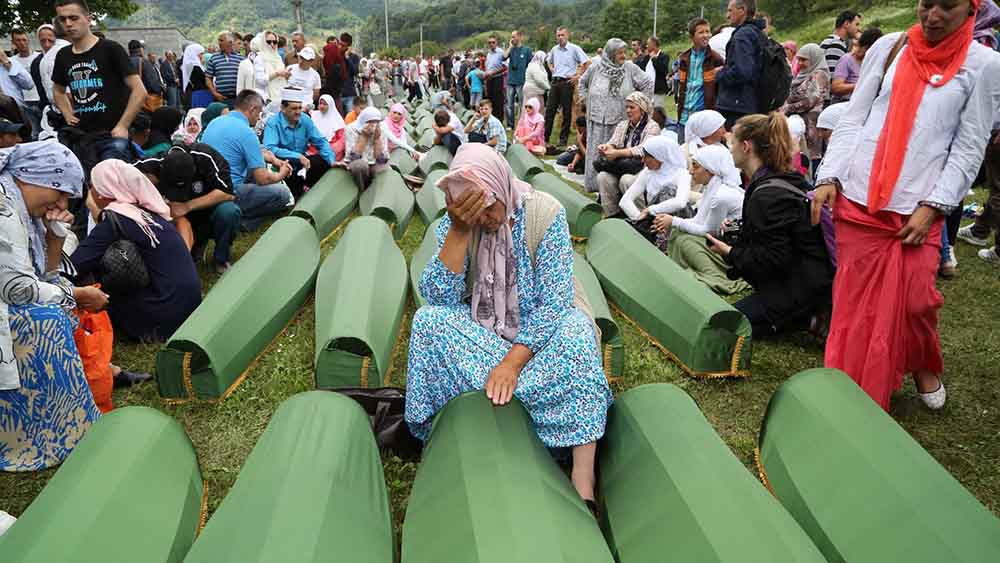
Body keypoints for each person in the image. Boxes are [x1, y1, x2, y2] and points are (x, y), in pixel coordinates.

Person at [812, 0, 1000, 410]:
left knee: (916, 301)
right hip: (860, 199)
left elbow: (970, 146)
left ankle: (920, 361)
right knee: (855, 307)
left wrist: (934, 206)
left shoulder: (984, 63)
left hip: (919, 204)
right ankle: (848, 389)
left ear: (971, 9)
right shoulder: (890, 46)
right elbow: (855, 115)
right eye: (925, 3)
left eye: (946, 6)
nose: (932, 15)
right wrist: (829, 176)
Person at [405, 143, 613, 513]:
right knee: (428, 324)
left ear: (501, 186)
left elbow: (554, 303)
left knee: (578, 336)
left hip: (540, 342)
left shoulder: (545, 214)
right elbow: (438, 297)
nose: (484, 219)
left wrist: (512, 364)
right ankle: (459, 432)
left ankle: (583, 476)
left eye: (488, 208)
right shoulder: (459, 222)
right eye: (473, 212)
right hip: (485, 336)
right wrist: (457, 231)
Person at [0, 141, 101, 471]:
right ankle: (45, 436)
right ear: (34, 177)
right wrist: (76, 296)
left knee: (55, 310)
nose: (60, 204)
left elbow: (44, 276)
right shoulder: (5, 209)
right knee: (47, 321)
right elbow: (18, 290)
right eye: (58, 193)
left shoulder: (20, 208)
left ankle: (59, 425)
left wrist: (54, 238)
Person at [708, 113, 832, 339]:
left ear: (746, 146)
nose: (730, 148)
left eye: (732, 143)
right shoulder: (784, 178)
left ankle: (810, 317)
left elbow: (775, 258)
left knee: (724, 328)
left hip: (802, 285)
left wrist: (732, 252)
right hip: (806, 278)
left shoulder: (767, 194)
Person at [71, 159, 201, 340]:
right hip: (189, 311)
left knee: (94, 271)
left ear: (102, 192)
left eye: (93, 186)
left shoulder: (115, 220)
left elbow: (74, 265)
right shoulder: (148, 212)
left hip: (160, 319)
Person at [52, 0, 146, 164]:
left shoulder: (111, 49)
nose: (68, 23)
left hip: (112, 136)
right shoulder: (63, 55)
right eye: (62, 19)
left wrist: (123, 125)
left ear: (89, 19)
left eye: (73, 18)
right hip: (81, 138)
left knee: (110, 184)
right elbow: (58, 90)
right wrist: (67, 113)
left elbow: (139, 90)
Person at [135, 143, 240, 273]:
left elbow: (228, 193)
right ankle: (185, 257)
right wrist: (145, 181)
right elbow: (120, 172)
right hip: (175, 217)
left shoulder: (207, 157)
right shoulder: (153, 164)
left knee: (229, 212)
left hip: (208, 211)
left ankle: (221, 259)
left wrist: (188, 206)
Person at [201, 89, 293, 231]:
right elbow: (262, 178)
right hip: (230, 191)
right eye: (259, 113)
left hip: (207, 187)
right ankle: (245, 221)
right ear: (252, 109)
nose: (259, 118)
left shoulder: (215, 122)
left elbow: (243, 149)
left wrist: (273, 159)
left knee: (250, 168)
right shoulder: (246, 132)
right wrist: (281, 173)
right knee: (283, 194)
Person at [663, 144, 748, 294]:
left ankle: (717, 275)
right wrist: (674, 222)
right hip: (721, 240)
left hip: (732, 249)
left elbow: (707, 230)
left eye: (695, 166)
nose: (690, 171)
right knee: (677, 234)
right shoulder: (712, 187)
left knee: (685, 240)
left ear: (710, 169)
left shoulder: (721, 194)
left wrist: (674, 221)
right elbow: (698, 220)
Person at [579, 39, 654, 194]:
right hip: (596, 119)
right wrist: (587, 100)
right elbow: (582, 83)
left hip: (619, 120)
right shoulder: (596, 68)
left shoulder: (629, 68)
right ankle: (595, 187)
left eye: (623, 52)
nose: (623, 56)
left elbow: (648, 83)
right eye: (619, 53)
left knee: (614, 155)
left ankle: (613, 190)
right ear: (610, 54)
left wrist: (641, 105)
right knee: (597, 153)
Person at [618, 136, 692, 246]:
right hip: (656, 221)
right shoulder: (648, 172)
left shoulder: (681, 174)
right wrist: (640, 220)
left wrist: (650, 210)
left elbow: (680, 202)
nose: (643, 161)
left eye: (647, 157)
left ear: (659, 157)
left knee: (668, 191)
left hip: (677, 222)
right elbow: (625, 201)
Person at [263, 88, 335, 199]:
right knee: (287, 172)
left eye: (300, 108)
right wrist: (297, 156)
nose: (298, 112)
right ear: (283, 108)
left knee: (322, 161)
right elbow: (270, 149)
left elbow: (321, 141)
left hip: (303, 164)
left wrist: (332, 161)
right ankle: (296, 193)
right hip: (282, 165)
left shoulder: (305, 119)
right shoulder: (273, 122)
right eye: (294, 108)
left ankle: (313, 193)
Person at [594, 92, 660, 210]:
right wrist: (606, 147)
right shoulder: (623, 125)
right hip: (624, 165)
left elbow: (643, 150)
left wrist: (618, 153)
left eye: (632, 107)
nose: (628, 110)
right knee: (602, 176)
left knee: (626, 180)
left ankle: (640, 215)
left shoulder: (652, 127)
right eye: (627, 107)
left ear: (642, 109)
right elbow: (613, 142)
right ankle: (612, 213)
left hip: (644, 167)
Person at [715, 0, 767, 128]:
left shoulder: (742, 36)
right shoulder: (757, 32)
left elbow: (743, 71)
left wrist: (719, 74)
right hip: (752, 101)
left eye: (730, 10)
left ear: (742, 10)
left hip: (736, 106)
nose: (727, 16)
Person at [780, 44, 830, 165]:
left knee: (810, 162)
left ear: (814, 58)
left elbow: (809, 101)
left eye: (804, 60)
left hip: (811, 127)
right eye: (799, 59)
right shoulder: (802, 75)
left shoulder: (820, 75)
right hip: (800, 126)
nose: (800, 63)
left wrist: (786, 108)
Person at [676, 19, 726, 143]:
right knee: (684, 155)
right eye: (701, 32)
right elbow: (682, 87)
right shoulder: (684, 58)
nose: (706, 35)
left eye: (708, 31)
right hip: (684, 118)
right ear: (691, 36)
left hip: (704, 119)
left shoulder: (715, 58)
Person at [545, 27, 590, 148]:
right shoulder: (554, 49)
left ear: (567, 36)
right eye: (558, 35)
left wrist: (578, 75)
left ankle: (563, 140)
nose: (560, 37)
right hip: (555, 81)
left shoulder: (574, 49)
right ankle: (545, 138)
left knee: (566, 112)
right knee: (550, 111)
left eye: (562, 35)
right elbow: (548, 60)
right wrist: (551, 69)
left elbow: (586, 62)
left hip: (567, 82)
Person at [831, 28, 883, 103]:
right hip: (846, 102)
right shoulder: (847, 60)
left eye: (865, 48)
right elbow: (836, 88)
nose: (859, 49)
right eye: (860, 45)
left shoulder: (875, 62)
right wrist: (860, 85)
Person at [344, 107, 388, 191]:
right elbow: (352, 158)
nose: (373, 125)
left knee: (383, 169)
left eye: (376, 122)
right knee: (359, 166)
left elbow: (382, 159)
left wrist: (377, 139)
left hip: (374, 162)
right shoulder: (351, 128)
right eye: (369, 121)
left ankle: (374, 193)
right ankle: (361, 190)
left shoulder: (382, 129)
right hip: (358, 161)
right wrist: (364, 137)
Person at [9, 29, 40, 139]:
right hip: (24, 102)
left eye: (24, 40)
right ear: (13, 42)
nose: (22, 43)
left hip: (40, 100)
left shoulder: (39, 57)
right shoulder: (11, 61)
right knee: (32, 133)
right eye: (18, 40)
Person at [205, 32, 245, 108]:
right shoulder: (214, 58)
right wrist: (215, 93)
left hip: (237, 99)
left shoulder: (241, 59)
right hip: (220, 99)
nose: (219, 43)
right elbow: (208, 78)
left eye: (221, 40)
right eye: (219, 40)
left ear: (230, 42)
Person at [504, 30, 533, 129]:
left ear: (520, 37)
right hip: (510, 81)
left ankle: (523, 124)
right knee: (509, 104)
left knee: (522, 104)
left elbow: (531, 64)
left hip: (521, 81)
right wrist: (510, 46)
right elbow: (503, 57)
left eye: (514, 37)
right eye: (511, 37)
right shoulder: (511, 49)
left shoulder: (526, 50)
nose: (512, 39)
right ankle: (510, 125)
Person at [129, 40, 164, 111]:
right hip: (144, 102)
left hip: (129, 100)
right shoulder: (144, 62)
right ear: (140, 49)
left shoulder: (125, 62)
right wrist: (160, 90)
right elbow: (152, 83)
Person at [312, 94, 346, 161]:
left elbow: (342, 140)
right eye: (320, 103)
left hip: (332, 150)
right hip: (315, 148)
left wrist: (328, 149)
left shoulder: (337, 119)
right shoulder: (314, 116)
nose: (321, 106)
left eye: (325, 104)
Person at [482, 35, 507, 122]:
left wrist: (493, 72)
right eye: (489, 42)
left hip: (497, 78)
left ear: (497, 43)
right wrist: (485, 75)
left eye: (493, 42)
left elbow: (505, 67)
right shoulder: (488, 54)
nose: (491, 44)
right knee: (490, 99)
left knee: (498, 100)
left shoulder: (501, 52)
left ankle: (499, 120)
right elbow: (487, 68)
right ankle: (491, 120)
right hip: (489, 80)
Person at [259, 30, 289, 103]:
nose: (272, 44)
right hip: (268, 96)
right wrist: (277, 73)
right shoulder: (259, 57)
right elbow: (260, 80)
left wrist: (286, 75)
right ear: (263, 42)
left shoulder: (278, 57)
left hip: (281, 94)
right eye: (269, 42)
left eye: (275, 42)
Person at [643, 36, 672, 110]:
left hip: (658, 90)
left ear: (653, 44)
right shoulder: (646, 58)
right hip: (647, 90)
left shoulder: (664, 56)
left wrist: (654, 59)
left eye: (648, 44)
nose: (646, 46)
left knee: (657, 113)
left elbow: (663, 70)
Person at [236, 33, 267, 101]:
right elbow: (240, 87)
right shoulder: (244, 63)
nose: (243, 47)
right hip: (248, 102)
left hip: (265, 101)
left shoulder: (268, 62)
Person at [181, 42, 210, 108]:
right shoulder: (194, 66)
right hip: (201, 93)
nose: (202, 56)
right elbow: (204, 78)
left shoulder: (192, 65)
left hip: (199, 92)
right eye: (201, 54)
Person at [339, 33, 360, 114]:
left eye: (344, 45)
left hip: (350, 94)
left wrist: (347, 58)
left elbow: (355, 71)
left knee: (350, 119)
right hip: (338, 94)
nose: (341, 47)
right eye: (340, 44)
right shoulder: (336, 56)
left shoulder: (354, 57)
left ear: (349, 47)